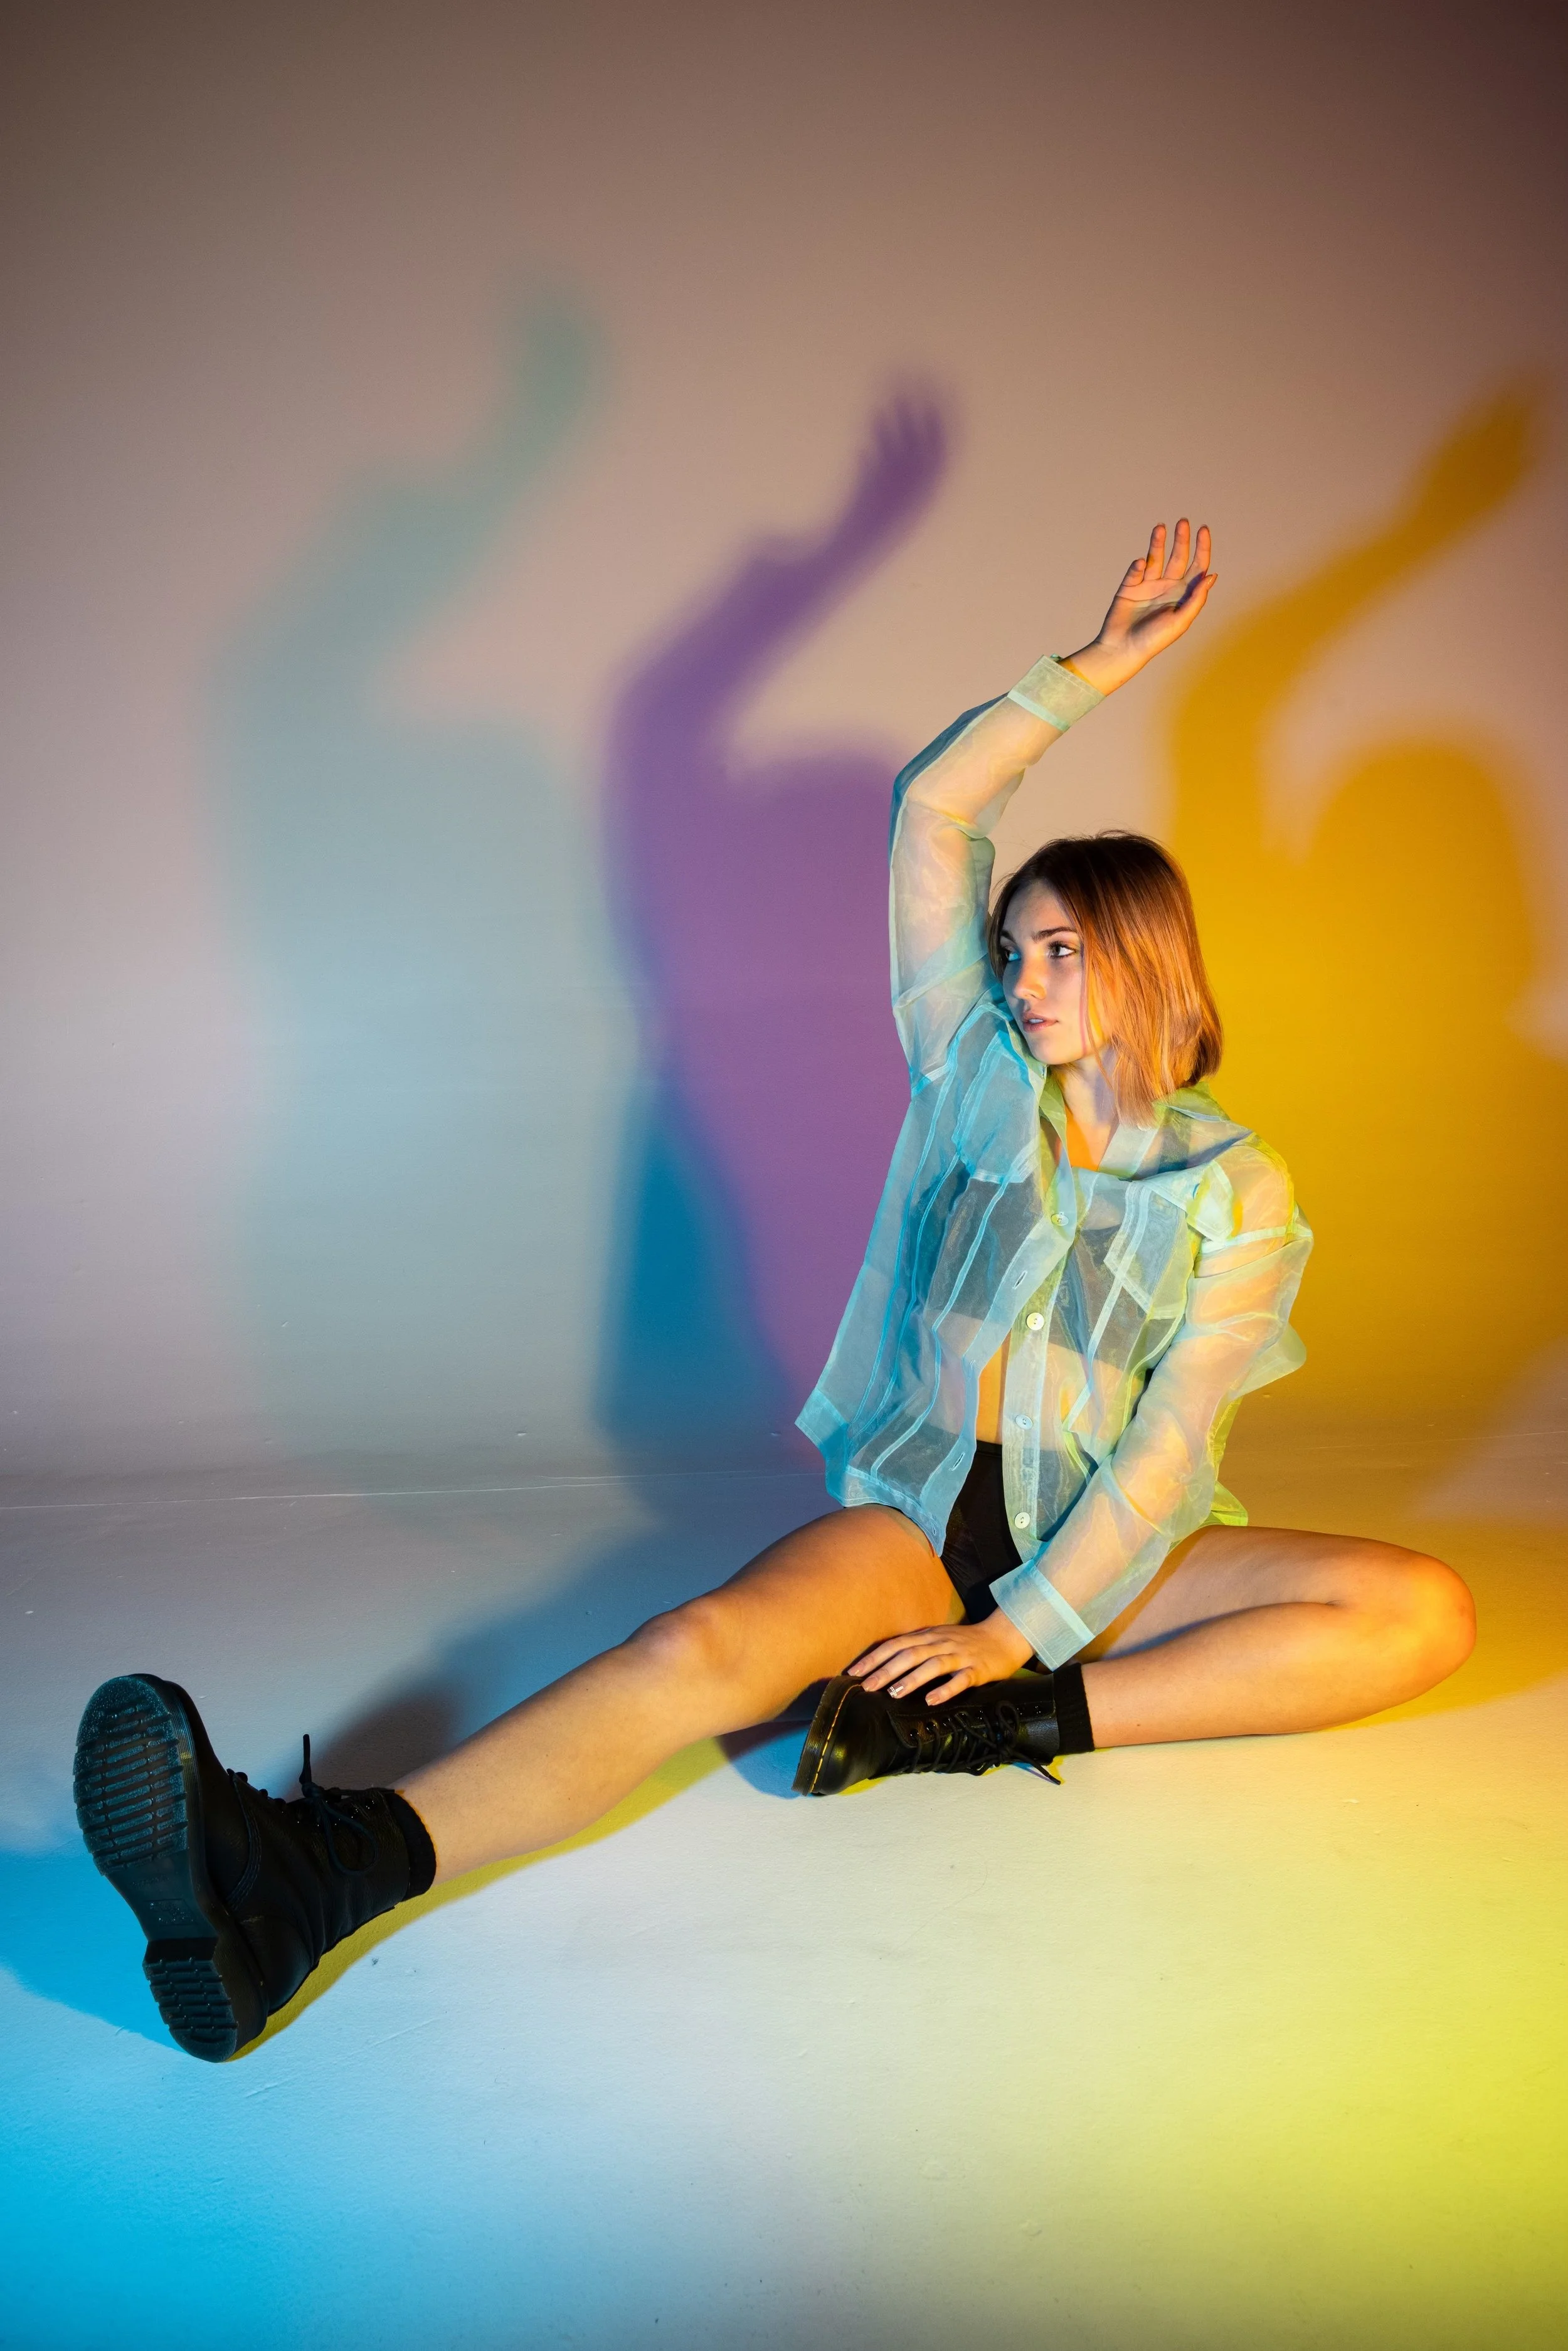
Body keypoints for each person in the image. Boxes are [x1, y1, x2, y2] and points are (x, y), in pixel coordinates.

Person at [73, 519, 1476, 2062]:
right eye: (1012, 951)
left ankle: (987, 1728)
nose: (1019, 981)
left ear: (1145, 963)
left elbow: (1164, 1452)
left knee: (1420, 1608)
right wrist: (1096, 666)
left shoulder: (1235, 1187)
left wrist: (1017, 1644)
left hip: (1101, 1548)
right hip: (919, 1526)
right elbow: (934, 809)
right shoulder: (969, 1078)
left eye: (1058, 953)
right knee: (688, 1653)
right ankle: (308, 1880)